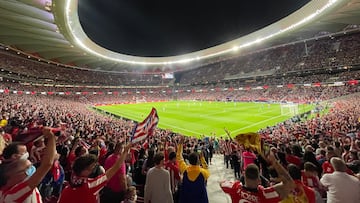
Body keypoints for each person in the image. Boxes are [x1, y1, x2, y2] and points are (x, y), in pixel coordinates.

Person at [57, 142, 132, 203]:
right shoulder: (91, 185)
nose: (92, 169)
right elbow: (116, 167)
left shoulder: (66, 189)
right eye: (90, 167)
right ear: (83, 170)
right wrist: (125, 151)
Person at [0, 128, 56, 203]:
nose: (27, 172)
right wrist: (51, 138)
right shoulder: (13, 195)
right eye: (23, 171)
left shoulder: (7, 188)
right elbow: (47, 164)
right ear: (10, 177)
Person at [220, 152, 295, 203]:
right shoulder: (265, 195)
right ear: (259, 180)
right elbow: (290, 184)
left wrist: (238, 184)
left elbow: (221, 183)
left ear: (244, 176)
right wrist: (274, 162)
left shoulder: (234, 188)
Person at [177, 136, 209, 203]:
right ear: (198, 161)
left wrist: (180, 144)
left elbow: (179, 157)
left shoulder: (185, 170)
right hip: (200, 200)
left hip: (186, 200)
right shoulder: (203, 172)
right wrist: (202, 158)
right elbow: (206, 168)